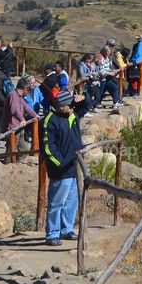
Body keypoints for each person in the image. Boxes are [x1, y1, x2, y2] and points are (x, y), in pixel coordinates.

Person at [42, 90, 84, 246]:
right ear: (61, 106)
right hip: (61, 171)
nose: (72, 107)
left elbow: (86, 106)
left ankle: (66, 230)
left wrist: (82, 99)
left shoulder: (70, 115)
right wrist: (61, 163)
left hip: (74, 168)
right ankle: (52, 234)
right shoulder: (50, 120)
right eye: (70, 105)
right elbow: (48, 148)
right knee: (56, 203)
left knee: (71, 202)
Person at [2, 75, 39, 155]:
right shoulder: (13, 95)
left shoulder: (20, 96)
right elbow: (15, 110)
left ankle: (19, 162)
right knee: (11, 151)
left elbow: (26, 107)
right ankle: (8, 162)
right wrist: (22, 119)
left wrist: (35, 115)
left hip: (19, 126)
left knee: (24, 150)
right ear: (24, 88)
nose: (28, 91)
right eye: (28, 89)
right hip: (12, 127)